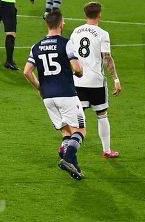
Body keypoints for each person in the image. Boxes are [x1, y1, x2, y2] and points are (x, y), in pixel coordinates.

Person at [22, 10, 88, 181]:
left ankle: (75, 168)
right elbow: (78, 68)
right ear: (61, 24)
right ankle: (67, 160)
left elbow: (27, 72)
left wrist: (39, 88)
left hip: (48, 97)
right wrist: (79, 74)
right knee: (80, 131)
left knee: (66, 132)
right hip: (66, 94)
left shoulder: (36, 47)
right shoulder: (66, 44)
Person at [70, 1, 122, 159]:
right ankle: (107, 150)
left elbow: (70, 56)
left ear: (85, 14)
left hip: (77, 81)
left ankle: (67, 145)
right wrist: (116, 79)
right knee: (102, 114)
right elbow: (107, 58)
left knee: (77, 117)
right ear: (99, 14)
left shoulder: (75, 32)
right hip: (96, 82)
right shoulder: (102, 34)